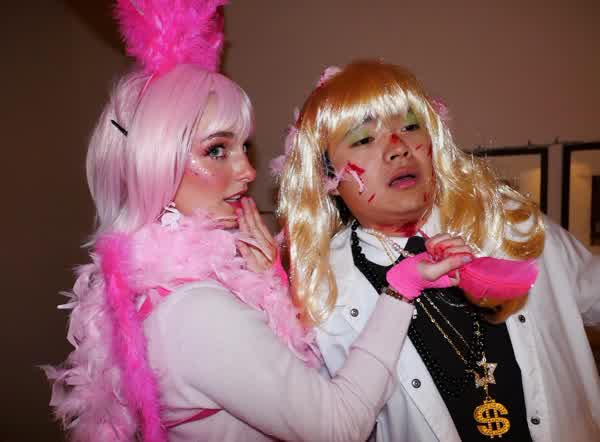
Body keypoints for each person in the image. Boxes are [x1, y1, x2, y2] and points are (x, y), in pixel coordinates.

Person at [42, 4, 472, 442]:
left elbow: (284, 389)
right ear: (157, 165)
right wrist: (399, 291)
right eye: (216, 150)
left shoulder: (165, 292)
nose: (248, 171)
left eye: (243, 147)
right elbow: (339, 426)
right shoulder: (194, 312)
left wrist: (272, 286)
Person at [277, 60, 600, 441]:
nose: (398, 148)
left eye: (410, 127)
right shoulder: (322, 291)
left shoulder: (512, 224)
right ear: (327, 174)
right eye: (364, 139)